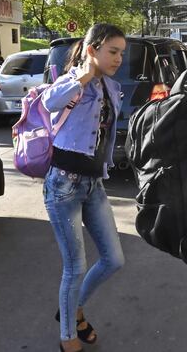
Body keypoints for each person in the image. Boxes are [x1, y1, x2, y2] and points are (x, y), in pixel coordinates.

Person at [42, 24, 126, 352]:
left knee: (113, 259)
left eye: (121, 53)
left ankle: (73, 309)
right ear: (93, 50)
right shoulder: (74, 80)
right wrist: (84, 76)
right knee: (74, 266)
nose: (118, 58)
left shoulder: (112, 86)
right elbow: (50, 102)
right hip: (63, 185)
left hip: (94, 185)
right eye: (112, 51)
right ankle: (68, 338)